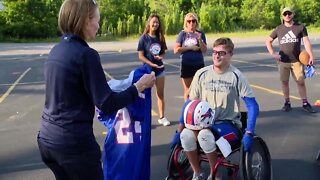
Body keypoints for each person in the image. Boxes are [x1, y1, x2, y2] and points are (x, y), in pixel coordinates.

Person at [37, 0, 155, 180]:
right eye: (97, 20)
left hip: (48, 140)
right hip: (73, 145)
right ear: (85, 20)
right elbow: (107, 104)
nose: (98, 25)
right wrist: (139, 86)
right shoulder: (86, 55)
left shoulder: (57, 50)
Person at [172, 38, 259, 180]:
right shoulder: (201, 74)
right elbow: (190, 102)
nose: (217, 56)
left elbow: (253, 106)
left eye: (222, 53)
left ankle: (215, 175)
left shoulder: (236, 76)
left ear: (231, 54)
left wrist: (249, 131)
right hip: (202, 123)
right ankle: (198, 173)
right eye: (214, 52)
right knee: (186, 136)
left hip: (228, 125)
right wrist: (180, 128)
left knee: (204, 135)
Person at [265, 7, 316, 113]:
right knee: (284, 82)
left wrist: (311, 55)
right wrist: (273, 54)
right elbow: (268, 41)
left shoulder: (300, 27)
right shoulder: (279, 29)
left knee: (300, 82)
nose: (287, 15)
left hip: (296, 61)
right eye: (285, 14)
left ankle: (305, 103)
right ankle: (287, 102)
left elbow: (306, 42)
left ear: (293, 14)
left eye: (289, 13)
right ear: (282, 16)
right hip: (283, 61)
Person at [137, 14, 170, 126]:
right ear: (149, 23)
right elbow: (141, 56)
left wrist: (161, 57)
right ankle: (144, 119)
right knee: (145, 96)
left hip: (160, 70)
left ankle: (162, 117)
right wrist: (151, 64)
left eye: (157, 22)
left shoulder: (160, 37)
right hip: (147, 71)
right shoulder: (144, 38)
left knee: (160, 94)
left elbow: (163, 52)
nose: (155, 24)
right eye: (153, 22)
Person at [174, 12, 207, 102]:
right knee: (188, 90)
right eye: (189, 21)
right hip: (186, 64)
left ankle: (199, 111)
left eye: (193, 21)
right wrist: (190, 48)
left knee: (199, 89)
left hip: (198, 64)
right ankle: (187, 111)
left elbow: (204, 50)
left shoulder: (201, 33)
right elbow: (176, 50)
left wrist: (200, 39)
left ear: (196, 22)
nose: (191, 23)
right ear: (186, 23)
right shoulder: (183, 34)